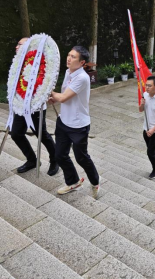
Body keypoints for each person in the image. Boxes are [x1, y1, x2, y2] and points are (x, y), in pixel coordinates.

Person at [50, 46, 100, 197]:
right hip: (63, 121)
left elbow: (63, 97)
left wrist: (45, 89)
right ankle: (73, 182)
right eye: (68, 55)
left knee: (81, 157)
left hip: (78, 125)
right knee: (59, 155)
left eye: (73, 57)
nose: (69, 58)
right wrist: (53, 98)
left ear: (82, 62)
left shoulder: (82, 78)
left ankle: (95, 182)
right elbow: (64, 96)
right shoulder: (68, 72)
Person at [10, 37, 59, 176]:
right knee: (16, 134)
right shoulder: (17, 63)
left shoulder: (39, 61)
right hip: (20, 105)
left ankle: (55, 159)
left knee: (41, 134)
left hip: (35, 106)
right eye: (17, 44)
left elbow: (46, 80)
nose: (16, 47)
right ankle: (32, 160)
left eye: (20, 44)